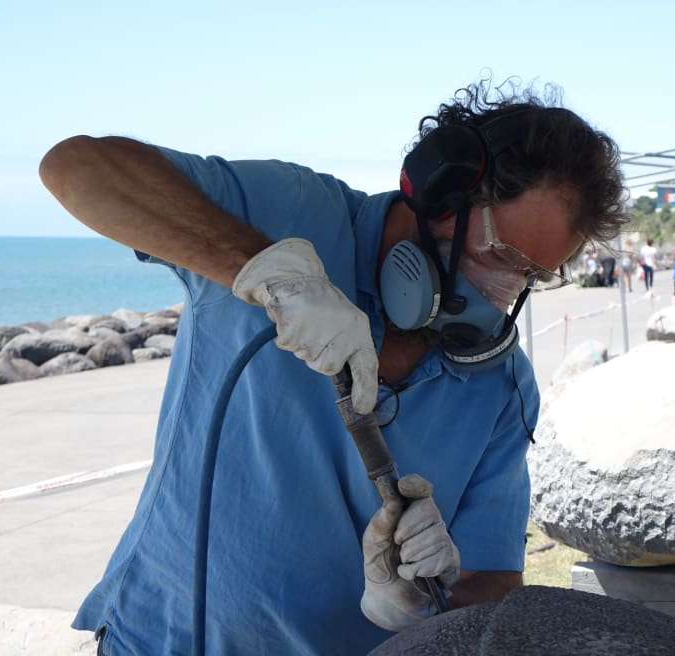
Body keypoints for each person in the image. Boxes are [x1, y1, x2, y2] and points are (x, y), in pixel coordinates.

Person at [38, 79, 628, 655]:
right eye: (500, 256)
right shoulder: (291, 213)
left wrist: (422, 604)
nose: (503, 293)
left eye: (532, 275)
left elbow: (492, 582)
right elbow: (76, 167)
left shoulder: (500, 383)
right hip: (162, 637)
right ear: (442, 191)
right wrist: (266, 271)